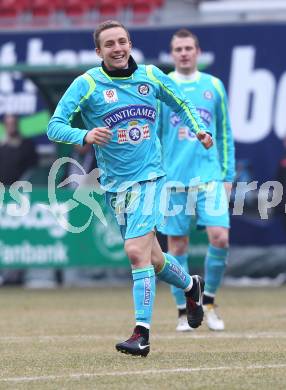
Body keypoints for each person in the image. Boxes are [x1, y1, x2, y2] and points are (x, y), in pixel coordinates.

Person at [47, 20, 213, 357]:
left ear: (130, 43)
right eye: (110, 44)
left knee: (136, 253)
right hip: (114, 185)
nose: (118, 48)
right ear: (99, 52)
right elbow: (54, 126)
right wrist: (84, 135)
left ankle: (142, 333)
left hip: (150, 178)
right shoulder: (88, 84)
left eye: (122, 41)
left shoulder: (151, 76)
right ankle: (191, 286)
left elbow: (181, 103)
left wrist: (198, 130)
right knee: (152, 259)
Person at [159, 29, 235, 332]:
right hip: (173, 179)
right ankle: (184, 311)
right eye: (178, 49)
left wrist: (227, 176)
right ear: (172, 53)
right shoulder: (162, 85)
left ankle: (210, 303)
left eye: (189, 48)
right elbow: (155, 134)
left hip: (209, 178)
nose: (184, 53)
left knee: (221, 237)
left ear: (198, 51)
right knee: (177, 247)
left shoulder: (213, 86)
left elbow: (225, 133)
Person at [0, 114, 38, 286]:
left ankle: (19, 275)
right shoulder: (2, 146)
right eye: (7, 124)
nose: (11, 127)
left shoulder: (27, 146)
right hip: (3, 199)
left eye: (13, 123)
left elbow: (33, 171)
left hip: (22, 199)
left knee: (21, 237)